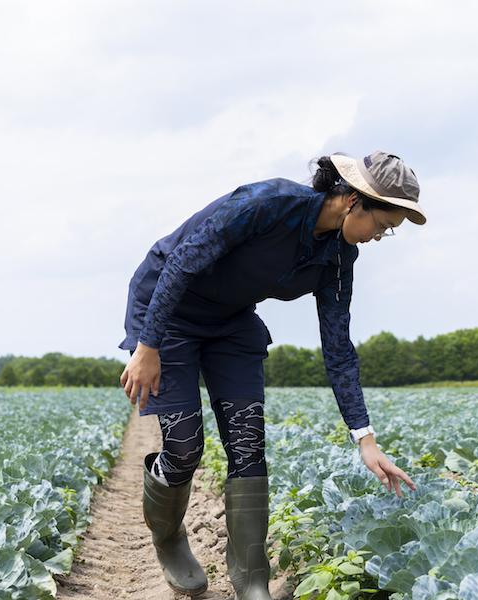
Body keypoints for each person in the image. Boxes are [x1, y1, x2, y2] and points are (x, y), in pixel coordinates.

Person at [117, 151, 422, 599]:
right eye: (383, 224)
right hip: (170, 311)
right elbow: (181, 262)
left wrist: (366, 438)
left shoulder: (339, 257)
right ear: (355, 200)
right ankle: (168, 539)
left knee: (247, 442)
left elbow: (338, 347)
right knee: (184, 448)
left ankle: (250, 576)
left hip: (231, 322)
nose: (380, 236)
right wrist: (148, 345)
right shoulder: (267, 203)